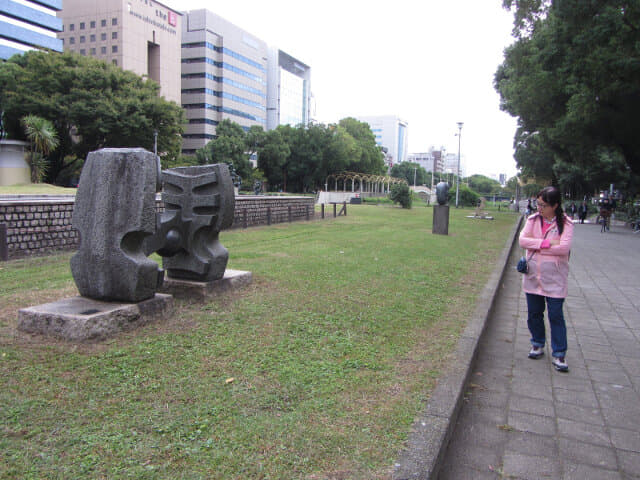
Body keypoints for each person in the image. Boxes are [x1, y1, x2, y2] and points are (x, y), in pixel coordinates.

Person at [519, 186, 574, 372]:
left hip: (555, 278)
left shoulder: (566, 223)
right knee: (534, 313)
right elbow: (523, 241)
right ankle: (537, 343)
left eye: (543, 205)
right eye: (538, 204)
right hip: (533, 276)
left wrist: (537, 245)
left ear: (555, 205)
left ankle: (559, 354)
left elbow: (563, 248)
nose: (539, 208)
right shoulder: (533, 220)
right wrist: (548, 243)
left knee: (556, 315)